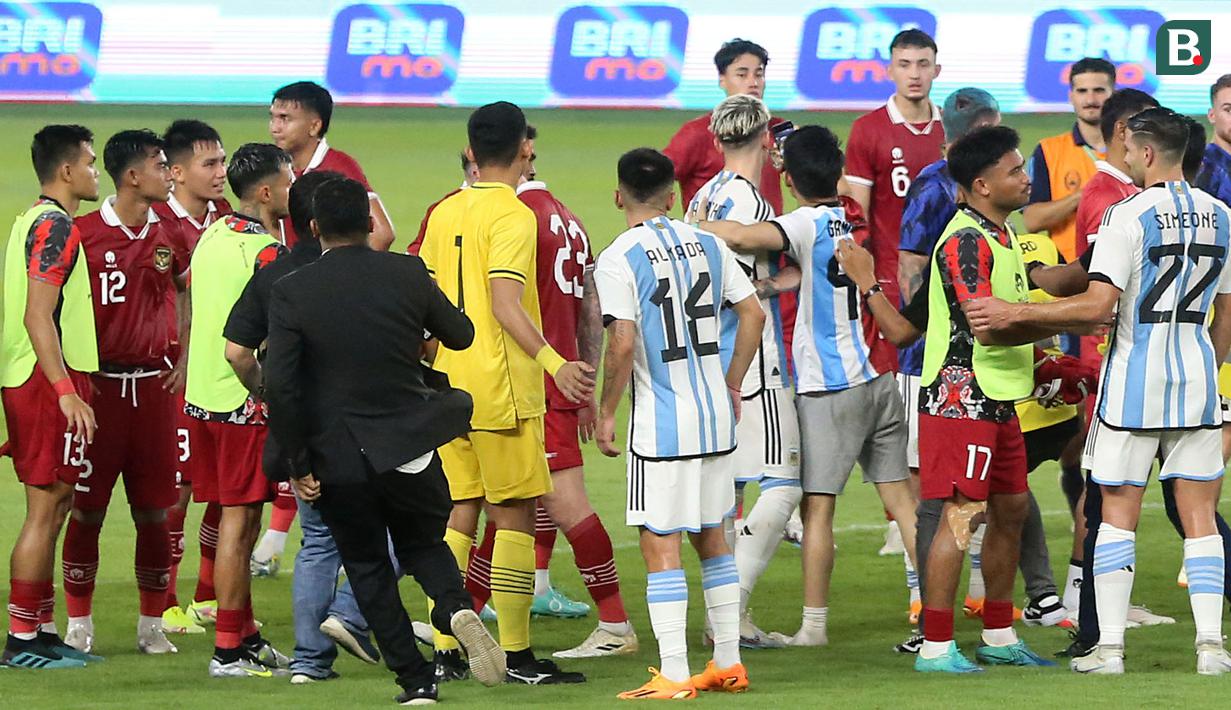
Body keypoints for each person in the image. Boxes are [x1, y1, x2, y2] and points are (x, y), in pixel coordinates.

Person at [966, 107, 1231, 676]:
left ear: (1148, 153)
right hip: (1197, 382)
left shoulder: (1126, 215)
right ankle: (1211, 648)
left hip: (1133, 383)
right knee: (1201, 515)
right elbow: (1228, 312)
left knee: (1116, 513)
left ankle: (1108, 650)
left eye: (1128, 150)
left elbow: (1097, 305)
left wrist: (1015, 311)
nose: (1123, 158)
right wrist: (1204, 363)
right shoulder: (1221, 215)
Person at [262, 176, 505, 703]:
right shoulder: (407, 273)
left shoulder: (292, 291)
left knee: (367, 565)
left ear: (313, 228)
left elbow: (280, 385)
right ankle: (454, 607)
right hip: (409, 443)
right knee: (424, 544)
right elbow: (461, 334)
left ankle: (415, 682)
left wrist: (298, 462)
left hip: (337, 455)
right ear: (370, 222)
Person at [699, 126, 919, 648]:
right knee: (904, 504)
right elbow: (812, 270)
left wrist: (688, 224)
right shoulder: (849, 217)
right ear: (839, 172)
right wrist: (769, 285)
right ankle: (934, 615)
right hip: (878, 377)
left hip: (829, 387)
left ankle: (813, 628)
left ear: (788, 179)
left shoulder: (802, 221)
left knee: (817, 508)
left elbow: (742, 237)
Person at [419, 101, 592, 685]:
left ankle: (446, 649)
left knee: (458, 513)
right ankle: (516, 656)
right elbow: (504, 302)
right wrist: (555, 363)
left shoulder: (444, 210)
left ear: (471, 152)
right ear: (525, 149)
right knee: (514, 516)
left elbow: (425, 301)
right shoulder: (515, 216)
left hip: (448, 389)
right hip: (501, 389)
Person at [593, 147, 762, 699]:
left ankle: (673, 672)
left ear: (618, 196)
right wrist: (732, 381)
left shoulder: (619, 256)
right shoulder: (710, 243)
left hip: (661, 426)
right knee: (713, 537)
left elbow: (622, 341)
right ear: (672, 196)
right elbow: (754, 313)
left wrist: (607, 411)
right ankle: (728, 663)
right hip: (716, 417)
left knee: (660, 543)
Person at [465, 128, 639, 659]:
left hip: (531, 382)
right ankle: (463, 612)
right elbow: (589, 307)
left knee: (564, 505)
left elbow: (500, 303)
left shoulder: (514, 217)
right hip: (559, 376)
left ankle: (615, 624)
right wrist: (584, 381)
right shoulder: (570, 219)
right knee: (509, 503)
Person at [220, 168, 382, 683]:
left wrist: (270, 396)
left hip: (305, 431)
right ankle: (350, 612)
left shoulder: (275, 274)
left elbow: (236, 352)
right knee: (407, 527)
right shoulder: (371, 270)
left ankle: (310, 662)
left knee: (318, 543)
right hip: (370, 428)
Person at [912, 126, 1052, 673]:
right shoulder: (965, 240)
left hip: (999, 395)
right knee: (961, 515)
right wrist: (1069, 321)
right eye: (1015, 170)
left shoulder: (1002, 234)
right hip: (960, 398)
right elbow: (988, 326)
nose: (1026, 177)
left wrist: (1045, 360)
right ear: (982, 184)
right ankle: (936, 646)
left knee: (1011, 508)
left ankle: (998, 632)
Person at [684, 94, 802, 649]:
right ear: (765, 139)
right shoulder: (749, 202)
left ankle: (724, 618)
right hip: (751, 363)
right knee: (784, 484)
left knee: (727, 492)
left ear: (716, 139)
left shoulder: (701, 198)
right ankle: (730, 614)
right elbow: (743, 288)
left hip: (706, 356)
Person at [60, 130, 183, 657]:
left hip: (154, 391)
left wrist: (182, 356)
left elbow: (185, 288)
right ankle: (79, 623)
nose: (169, 174)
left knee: (154, 511)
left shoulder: (170, 232)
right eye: (161, 165)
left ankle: (151, 625)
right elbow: (52, 309)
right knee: (86, 510)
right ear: (133, 176)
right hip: (100, 392)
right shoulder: (83, 234)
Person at [895, 87, 1003, 629]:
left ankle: (979, 598)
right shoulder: (936, 187)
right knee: (937, 495)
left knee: (985, 492)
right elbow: (911, 265)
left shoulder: (989, 194)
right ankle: (924, 605)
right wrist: (933, 332)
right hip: (935, 368)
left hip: (979, 366)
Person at [185, 143, 292, 678]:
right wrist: (268, 392)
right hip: (242, 400)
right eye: (289, 180)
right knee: (240, 521)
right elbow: (267, 340)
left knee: (236, 520)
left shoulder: (213, 233)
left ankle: (245, 636)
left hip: (202, 397)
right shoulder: (267, 253)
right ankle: (227, 650)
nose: (295, 188)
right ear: (268, 192)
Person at [0, 125, 101, 669]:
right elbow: (38, 315)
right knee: (44, 510)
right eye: (89, 162)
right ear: (66, 170)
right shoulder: (56, 227)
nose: (95, 172)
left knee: (59, 503)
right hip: (45, 383)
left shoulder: (31, 220)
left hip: (39, 377)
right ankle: (20, 640)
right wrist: (65, 392)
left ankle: (40, 630)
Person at [154, 119, 232, 633]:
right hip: (176, 380)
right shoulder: (160, 224)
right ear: (177, 172)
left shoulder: (225, 219)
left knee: (225, 489)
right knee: (177, 491)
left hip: (224, 374)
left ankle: (207, 594)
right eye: (210, 163)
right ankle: (164, 602)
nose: (221, 172)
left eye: (222, 161)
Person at [845, 28, 945, 374]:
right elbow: (857, 214)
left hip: (951, 276)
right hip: (891, 281)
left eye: (923, 64)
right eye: (904, 64)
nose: (914, 74)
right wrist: (868, 279)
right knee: (896, 377)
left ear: (937, 70)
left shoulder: (951, 129)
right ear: (890, 71)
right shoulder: (868, 129)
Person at [664, 38, 786, 213]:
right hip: (711, 230)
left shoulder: (778, 128)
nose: (753, 82)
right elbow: (655, 177)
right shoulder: (697, 132)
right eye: (742, 75)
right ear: (722, 79)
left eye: (759, 74)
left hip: (769, 229)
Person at [1022, 57, 1115, 262]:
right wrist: (1083, 196)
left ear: (1113, 94)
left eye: (1099, 90)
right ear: (1071, 95)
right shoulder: (1048, 150)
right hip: (1069, 272)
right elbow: (1032, 221)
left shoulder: (1131, 149)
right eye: (1082, 91)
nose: (1090, 99)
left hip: (1126, 269)